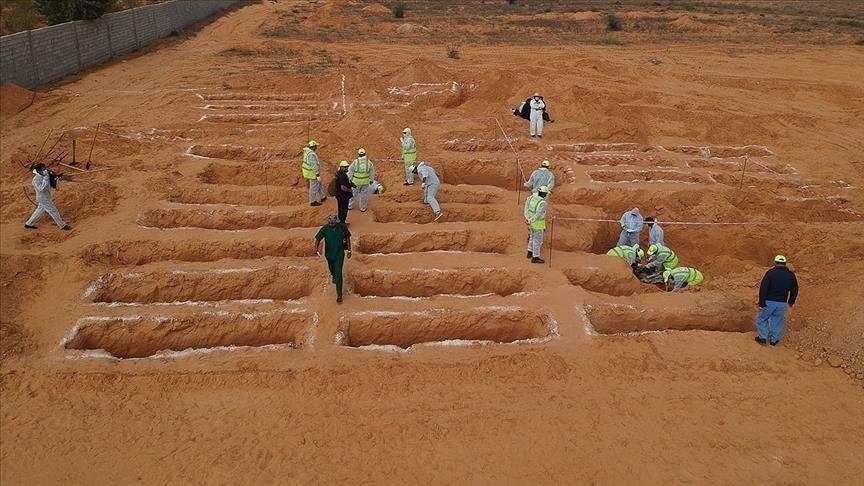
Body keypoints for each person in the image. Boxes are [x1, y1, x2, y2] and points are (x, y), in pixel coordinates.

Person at [755, 255, 799, 346]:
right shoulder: (791, 275)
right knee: (777, 320)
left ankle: (763, 337)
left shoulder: (770, 273)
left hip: (768, 302)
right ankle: (774, 340)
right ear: (785, 264)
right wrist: (791, 302)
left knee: (762, 319)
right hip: (782, 304)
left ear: (775, 263)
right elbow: (795, 289)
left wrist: (761, 303)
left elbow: (763, 288)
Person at [314, 215, 352, 304]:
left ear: (336, 222)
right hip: (329, 254)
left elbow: (347, 238)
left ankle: (339, 295)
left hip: (339, 254)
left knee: (338, 273)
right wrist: (315, 248)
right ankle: (333, 275)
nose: (331, 224)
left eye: (333, 223)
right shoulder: (324, 229)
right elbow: (318, 238)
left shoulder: (342, 227)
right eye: (330, 223)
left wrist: (349, 250)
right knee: (331, 268)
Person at [24, 163, 71, 231]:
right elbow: (41, 189)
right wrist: (46, 178)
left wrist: (58, 177)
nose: (45, 170)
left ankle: (29, 224)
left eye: (45, 168)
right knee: (53, 211)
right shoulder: (36, 179)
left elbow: (52, 181)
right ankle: (62, 226)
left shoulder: (46, 174)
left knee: (40, 210)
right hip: (43, 198)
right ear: (39, 171)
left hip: (47, 196)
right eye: (43, 169)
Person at [524, 185, 549, 264]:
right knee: (537, 240)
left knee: (532, 237)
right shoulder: (543, 203)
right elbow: (538, 214)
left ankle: (529, 252)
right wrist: (532, 220)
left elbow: (526, 208)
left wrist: (528, 219)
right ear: (544, 194)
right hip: (537, 224)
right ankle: (535, 257)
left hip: (530, 223)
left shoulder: (530, 198)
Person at [347, 147, 375, 212]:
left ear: (358, 154)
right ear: (365, 154)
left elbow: (350, 171)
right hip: (365, 182)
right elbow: (372, 171)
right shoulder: (369, 162)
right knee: (364, 195)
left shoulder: (355, 162)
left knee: (353, 194)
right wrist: (371, 180)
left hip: (356, 182)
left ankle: (350, 206)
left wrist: (350, 179)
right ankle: (363, 208)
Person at [301, 140, 327, 207]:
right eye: (316, 146)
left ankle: (322, 196)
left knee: (319, 184)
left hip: (313, 173)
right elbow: (314, 165)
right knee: (313, 188)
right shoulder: (311, 154)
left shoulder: (307, 152)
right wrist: (317, 174)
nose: (316, 147)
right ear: (314, 147)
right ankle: (312, 201)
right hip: (313, 174)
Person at [334, 160, 354, 225]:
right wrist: (349, 190)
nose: (346, 168)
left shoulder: (340, 174)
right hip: (343, 195)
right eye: (345, 167)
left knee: (341, 210)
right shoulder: (342, 176)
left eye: (347, 167)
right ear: (341, 167)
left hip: (340, 195)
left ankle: (341, 222)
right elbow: (342, 187)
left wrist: (350, 184)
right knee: (343, 210)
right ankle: (342, 224)